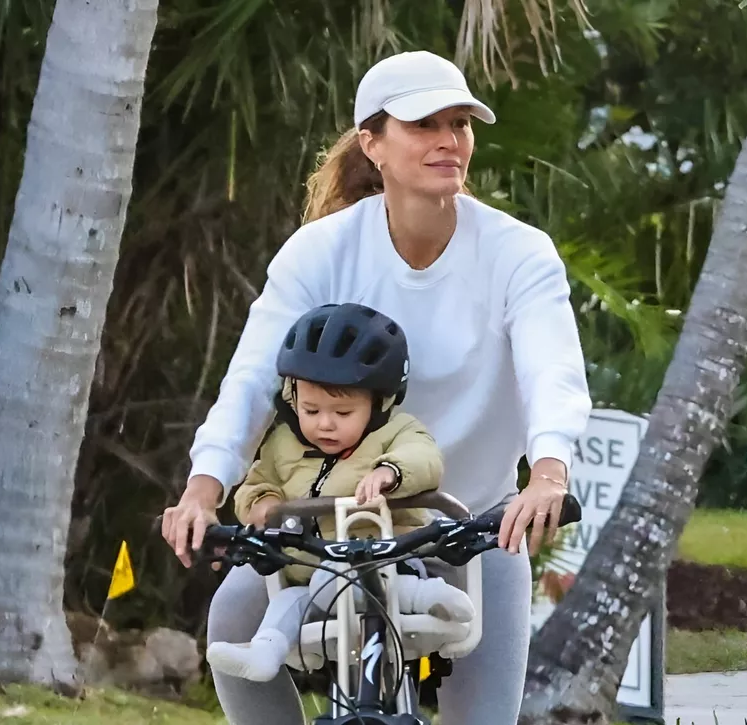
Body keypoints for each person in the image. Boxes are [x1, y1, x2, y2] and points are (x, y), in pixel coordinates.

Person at [161, 49, 592, 725]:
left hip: (467, 526)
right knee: (231, 630)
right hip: (325, 530)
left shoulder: (519, 252)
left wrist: (548, 471)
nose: (449, 140)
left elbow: (552, 371)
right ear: (373, 142)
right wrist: (201, 489)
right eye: (424, 124)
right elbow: (250, 377)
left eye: (460, 123)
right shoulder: (320, 251)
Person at [205, 302, 474, 683]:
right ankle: (265, 651)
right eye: (311, 410)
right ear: (291, 397)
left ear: (378, 402)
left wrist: (389, 472)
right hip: (311, 573)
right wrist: (262, 503)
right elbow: (256, 481)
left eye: (342, 413)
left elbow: (425, 458)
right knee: (288, 601)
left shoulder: (396, 432)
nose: (325, 424)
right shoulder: (282, 443)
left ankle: (430, 598)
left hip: (387, 560)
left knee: (345, 578)